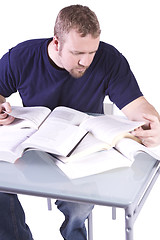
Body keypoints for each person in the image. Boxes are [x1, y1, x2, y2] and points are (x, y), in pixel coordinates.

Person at [0, 4, 160, 240]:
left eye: (92, 52)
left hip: (81, 151)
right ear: (56, 43)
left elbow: (138, 105)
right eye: (77, 54)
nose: (86, 62)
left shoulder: (110, 60)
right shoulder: (22, 57)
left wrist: (154, 122)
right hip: (31, 148)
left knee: (79, 205)